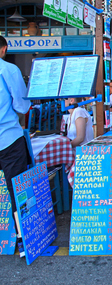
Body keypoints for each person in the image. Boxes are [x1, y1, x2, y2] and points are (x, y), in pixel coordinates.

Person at [0, 35, 31, 216]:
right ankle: (21, 236)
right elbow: (22, 105)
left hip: (7, 137)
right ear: (4, 49)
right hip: (8, 138)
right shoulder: (8, 69)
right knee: (17, 191)